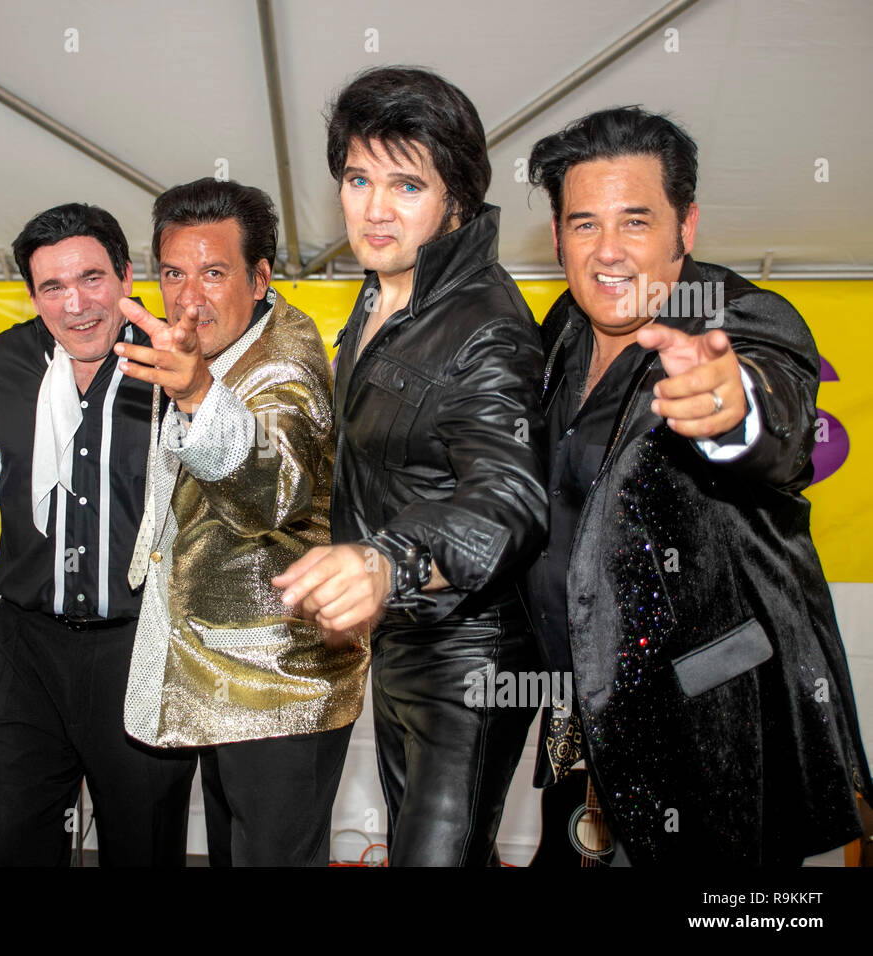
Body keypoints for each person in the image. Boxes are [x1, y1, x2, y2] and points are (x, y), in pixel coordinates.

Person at [523, 106, 870, 864]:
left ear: (686, 226)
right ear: (556, 237)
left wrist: (731, 408)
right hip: (580, 727)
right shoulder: (561, 331)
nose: (607, 251)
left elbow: (773, 420)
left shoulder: (739, 316)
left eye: (636, 222)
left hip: (709, 740)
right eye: (583, 225)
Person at [275, 66, 548, 866]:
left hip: (470, 651)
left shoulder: (484, 322)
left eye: (406, 185)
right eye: (358, 179)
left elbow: (508, 497)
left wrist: (386, 560)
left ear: (455, 200)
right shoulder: (381, 295)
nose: (375, 208)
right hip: (400, 638)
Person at [117, 178, 369, 867]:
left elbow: (274, 488)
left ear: (261, 279)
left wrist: (196, 393)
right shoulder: (214, 346)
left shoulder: (284, 363)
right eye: (174, 272)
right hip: (224, 671)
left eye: (214, 272)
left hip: (282, 681)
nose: (189, 296)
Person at [0, 203, 196, 867]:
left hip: (138, 646)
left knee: (144, 842)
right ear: (33, 295)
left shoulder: (176, 361)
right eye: (52, 288)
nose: (76, 305)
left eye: (92, 278)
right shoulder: (12, 356)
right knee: (17, 839)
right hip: (24, 645)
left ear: (127, 275)